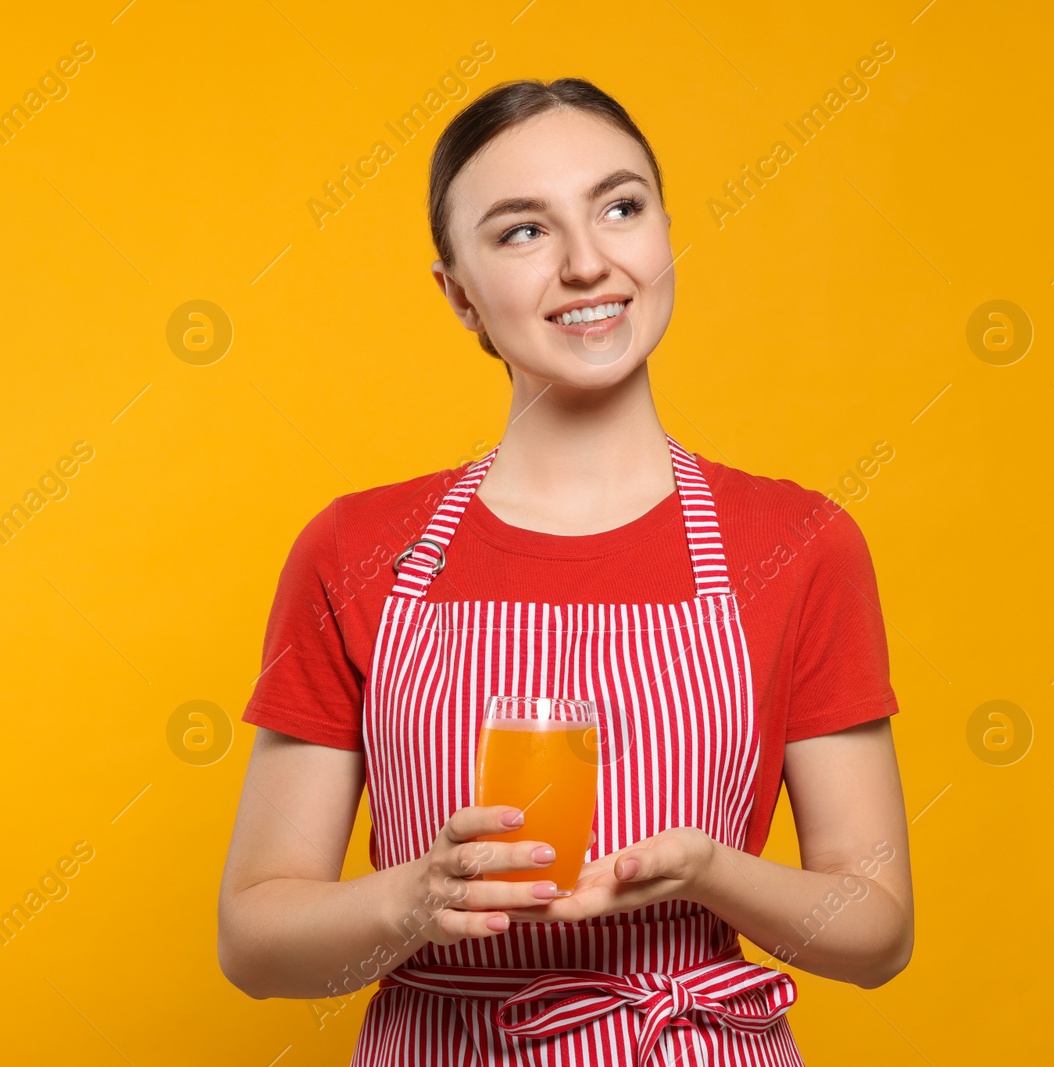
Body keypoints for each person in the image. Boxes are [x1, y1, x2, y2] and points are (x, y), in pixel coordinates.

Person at [216, 77, 913, 1065]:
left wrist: (709, 870)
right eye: (521, 232)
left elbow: (876, 930)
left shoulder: (799, 543)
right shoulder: (358, 550)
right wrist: (416, 898)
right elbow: (253, 939)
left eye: (619, 208)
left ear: (664, 234)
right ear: (457, 293)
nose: (589, 263)